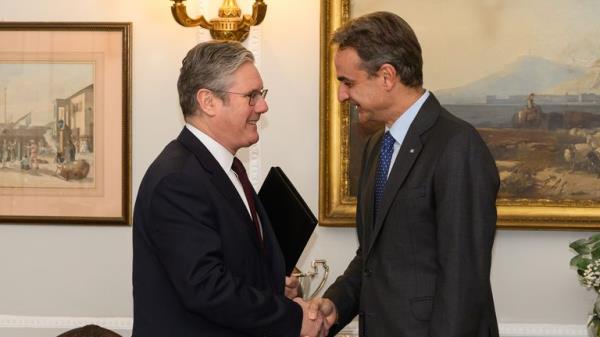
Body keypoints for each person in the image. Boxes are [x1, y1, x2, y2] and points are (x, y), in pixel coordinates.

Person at [307, 11, 500, 337]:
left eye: (348, 82)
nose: (342, 95)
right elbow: (373, 256)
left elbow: (463, 281)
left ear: (386, 76)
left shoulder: (457, 145)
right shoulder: (377, 146)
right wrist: (336, 303)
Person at [132, 40, 324, 337]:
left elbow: (234, 262)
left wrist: (274, 286)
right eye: (251, 96)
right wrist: (291, 318)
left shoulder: (225, 168)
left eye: (261, 94)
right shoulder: (177, 180)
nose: (263, 106)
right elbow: (208, 288)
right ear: (208, 102)